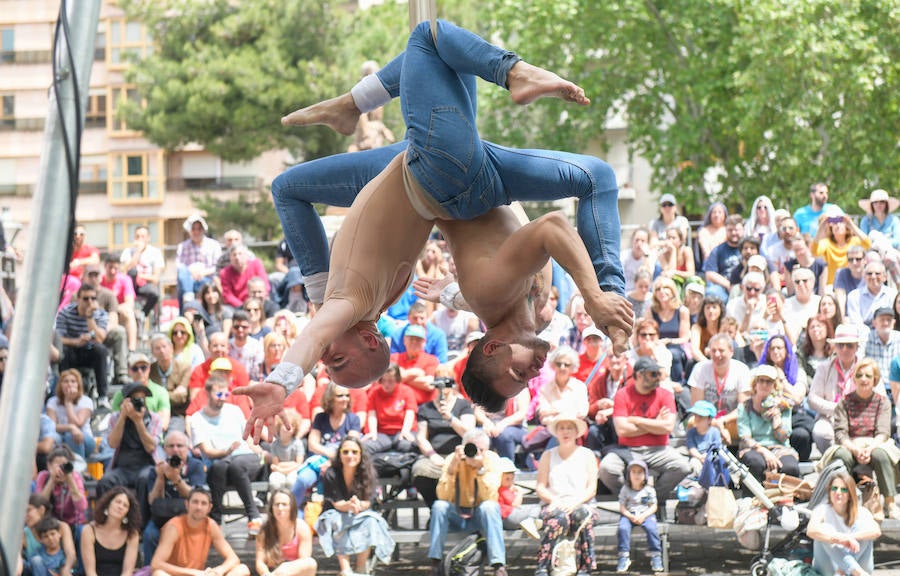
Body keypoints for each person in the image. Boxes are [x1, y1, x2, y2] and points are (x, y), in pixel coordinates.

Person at [245, 19, 633, 431]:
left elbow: (314, 336)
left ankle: (511, 73)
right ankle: (352, 104)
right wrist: (454, 296)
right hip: (455, 176)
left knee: (429, 39)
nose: (324, 356)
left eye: (329, 360)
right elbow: (487, 293)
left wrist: (282, 381)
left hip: (439, 172)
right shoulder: (518, 313)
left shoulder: (347, 303)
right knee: (444, 51)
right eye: (334, 361)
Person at [599, 357, 691, 502]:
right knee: (606, 469)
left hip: (658, 450)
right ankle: (631, 498)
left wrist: (637, 421)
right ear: (639, 375)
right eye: (653, 374)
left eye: (658, 374)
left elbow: (667, 427)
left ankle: (652, 499)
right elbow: (622, 430)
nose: (658, 378)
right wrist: (655, 423)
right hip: (627, 450)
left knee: (682, 467)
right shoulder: (623, 394)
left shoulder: (665, 395)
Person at [190, 374, 264, 532]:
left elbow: (247, 439)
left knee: (235, 465)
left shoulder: (234, 411)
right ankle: (217, 521)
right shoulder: (197, 418)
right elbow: (207, 451)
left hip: (244, 457)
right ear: (207, 393)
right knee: (222, 466)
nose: (222, 398)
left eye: (225, 394)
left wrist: (257, 450)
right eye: (218, 394)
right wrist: (227, 450)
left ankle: (253, 515)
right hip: (221, 465)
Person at [428, 428, 507, 576]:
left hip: (481, 516)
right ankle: (435, 562)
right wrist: (453, 469)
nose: (477, 452)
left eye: (481, 450)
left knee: (489, 507)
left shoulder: (492, 459)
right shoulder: (454, 458)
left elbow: (489, 496)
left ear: (487, 449)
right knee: (439, 506)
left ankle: (499, 566)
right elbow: (442, 495)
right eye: (472, 448)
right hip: (457, 515)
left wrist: (480, 469)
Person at [829, 358, 900, 519]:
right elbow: (840, 433)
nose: (863, 379)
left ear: (875, 379)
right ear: (854, 378)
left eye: (868, 376)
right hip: (850, 444)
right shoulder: (844, 402)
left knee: (881, 455)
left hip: (875, 444)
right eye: (859, 375)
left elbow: (883, 432)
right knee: (841, 456)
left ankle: (890, 503)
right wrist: (855, 449)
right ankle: (842, 502)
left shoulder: (883, 402)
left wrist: (869, 449)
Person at [315, 437, 395, 576]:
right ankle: (345, 569)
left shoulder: (368, 473)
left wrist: (358, 505)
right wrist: (350, 505)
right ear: (340, 454)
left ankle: (361, 567)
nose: (350, 455)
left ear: (360, 454)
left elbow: (368, 501)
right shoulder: (331, 473)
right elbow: (336, 503)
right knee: (338, 521)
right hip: (334, 512)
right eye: (345, 452)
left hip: (359, 511)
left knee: (370, 521)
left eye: (354, 452)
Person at [534, 413, 599, 576]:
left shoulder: (587, 455)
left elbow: (592, 488)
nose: (566, 432)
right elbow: (540, 487)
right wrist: (555, 501)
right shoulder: (548, 455)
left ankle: (586, 566)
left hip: (581, 503)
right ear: (556, 432)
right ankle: (544, 565)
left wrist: (575, 502)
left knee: (581, 515)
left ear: (576, 432)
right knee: (559, 518)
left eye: (569, 428)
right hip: (555, 504)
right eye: (562, 428)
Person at [151, 487, 251, 576]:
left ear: (209, 508)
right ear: (187, 504)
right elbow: (156, 564)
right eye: (195, 502)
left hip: (202, 574)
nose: (199, 507)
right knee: (159, 574)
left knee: (242, 569)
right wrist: (193, 572)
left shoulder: (211, 525)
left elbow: (233, 558)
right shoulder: (174, 527)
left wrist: (218, 571)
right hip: (180, 574)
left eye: (203, 503)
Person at [142, 430, 206, 563]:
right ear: (164, 449)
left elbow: (197, 498)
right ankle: (151, 571)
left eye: (179, 446)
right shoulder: (158, 468)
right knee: (150, 534)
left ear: (187, 448)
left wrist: (176, 479)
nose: (175, 450)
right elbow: (152, 501)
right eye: (171, 446)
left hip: (188, 517)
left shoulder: (196, 466)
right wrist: (161, 477)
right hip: (163, 517)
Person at [97, 381, 162, 508]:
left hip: (145, 466)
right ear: (126, 401)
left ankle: (141, 524)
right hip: (122, 468)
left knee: (146, 479)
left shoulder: (154, 418)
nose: (139, 402)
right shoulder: (115, 417)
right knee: (105, 482)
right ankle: (105, 522)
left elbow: (151, 447)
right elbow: (112, 444)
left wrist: (138, 422)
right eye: (135, 399)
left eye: (142, 399)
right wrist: (123, 416)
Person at [412, 376, 475, 506]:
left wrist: (451, 418)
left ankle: (460, 508)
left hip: (460, 455)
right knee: (419, 471)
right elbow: (421, 437)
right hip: (435, 456)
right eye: (439, 384)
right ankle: (435, 508)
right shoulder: (426, 408)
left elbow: (469, 433)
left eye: (446, 384)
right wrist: (432, 455)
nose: (443, 389)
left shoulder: (463, 405)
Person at [808, 324, 871, 453]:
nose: (844, 349)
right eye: (840, 345)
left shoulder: (867, 368)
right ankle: (835, 462)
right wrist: (836, 408)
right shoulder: (824, 368)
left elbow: (879, 396)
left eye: (849, 345)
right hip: (830, 418)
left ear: (857, 347)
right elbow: (812, 398)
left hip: (860, 418)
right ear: (835, 347)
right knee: (820, 432)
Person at [806, 471, 880, 576]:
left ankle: (844, 569)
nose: (838, 492)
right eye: (834, 488)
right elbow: (811, 530)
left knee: (864, 530)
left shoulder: (861, 511)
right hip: (829, 569)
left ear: (850, 494)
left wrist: (849, 537)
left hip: (857, 564)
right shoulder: (822, 510)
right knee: (824, 529)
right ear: (829, 491)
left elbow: (876, 531)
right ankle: (854, 570)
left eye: (844, 489)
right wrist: (838, 538)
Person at [736, 365, 799, 486]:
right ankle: (751, 499)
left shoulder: (783, 406)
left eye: (769, 382)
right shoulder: (744, 406)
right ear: (755, 383)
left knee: (790, 467)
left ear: (774, 385)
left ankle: (783, 499)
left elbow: (784, 437)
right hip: (755, 448)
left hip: (779, 447)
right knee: (756, 463)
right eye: (761, 381)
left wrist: (776, 420)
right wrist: (764, 451)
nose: (764, 385)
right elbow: (745, 438)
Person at [688, 333, 751, 445]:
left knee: (743, 423)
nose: (717, 354)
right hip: (705, 419)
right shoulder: (700, 369)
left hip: (731, 420)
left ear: (731, 352)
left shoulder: (742, 370)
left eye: (721, 350)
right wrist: (714, 422)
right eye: (713, 351)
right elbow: (697, 405)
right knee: (692, 422)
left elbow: (743, 407)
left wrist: (722, 421)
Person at [758, 335, 813, 461]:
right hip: (767, 414)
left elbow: (798, 398)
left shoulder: (798, 372)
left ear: (787, 351)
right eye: (772, 348)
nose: (776, 351)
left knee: (802, 435)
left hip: (793, 415)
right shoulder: (761, 371)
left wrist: (782, 379)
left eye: (779, 348)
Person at [56, 284, 110, 407]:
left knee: (101, 350)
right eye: (86, 299)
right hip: (72, 351)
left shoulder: (100, 314)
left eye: (93, 298)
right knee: (63, 351)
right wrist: (76, 341)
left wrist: (89, 317)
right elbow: (59, 338)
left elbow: (100, 338)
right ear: (78, 299)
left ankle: (102, 396)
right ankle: (63, 393)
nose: (89, 302)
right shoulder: (66, 312)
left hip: (91, 351)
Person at [616, 459, 664, 573]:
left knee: (652, 529)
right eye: (633, 472)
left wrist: (643, 515)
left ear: (645, 475)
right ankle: (624, 556)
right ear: (629, 475)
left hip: (645, 514)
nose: (636, 475)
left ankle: (656, 555)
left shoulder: (649, 490)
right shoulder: (625, 489)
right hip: (629, 515)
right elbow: (622, 507)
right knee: (623, 528)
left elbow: (653, 506)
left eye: (640, 472)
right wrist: (630, 516)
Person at [255, 489, 317, 576]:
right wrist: (265, 573)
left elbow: (304, 562)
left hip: (294, 573)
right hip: (270, 573)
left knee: (311, 563)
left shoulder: (301, 527)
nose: (280, 508)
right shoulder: (264, 530)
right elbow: (260, 562)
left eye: (284, 504)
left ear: (291, 507)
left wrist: (283, 570)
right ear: (271, 508)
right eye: (277, 504)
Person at [80, 487, 141, 576]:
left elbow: (127, 572)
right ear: (108, 504)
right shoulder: (89, 531)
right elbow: (90, 572)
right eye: (118, 502)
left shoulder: (132, 534)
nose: (120, 507)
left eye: (125, 505)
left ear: (128, 513)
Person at [363, 364, 417, 454]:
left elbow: (410, 413)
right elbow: (372, 415)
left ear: (397, 380)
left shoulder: (407, 391)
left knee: (408, 445)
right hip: (382, 433)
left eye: (390, 381)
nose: (386, 384)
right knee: (367, 446)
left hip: (401, 430)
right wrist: (373, 432)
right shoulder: (374, 392)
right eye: (384, 380)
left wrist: (405, 431)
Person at [646, 276, 691, 384]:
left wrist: (668, 341)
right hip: (656, 346)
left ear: (672, 291)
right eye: (658, 289)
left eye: (665, 288)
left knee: (673, 354)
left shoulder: (682, 311)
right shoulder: (651, 311)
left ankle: (678, 383)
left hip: (676, 347)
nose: (662, 291)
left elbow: (685, 338)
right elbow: (647, 331)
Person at [112, 352, 172, 432]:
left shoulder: (161, 392)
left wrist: (144, 416)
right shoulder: (120, 394)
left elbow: (164, 424)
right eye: (135, 368)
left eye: (143, 367)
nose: (140, 371)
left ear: (149, 368)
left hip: (153, 437)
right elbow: (113, 424)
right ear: (129, 371)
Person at [812, 207, 871, 286]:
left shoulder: (854, 241)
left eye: (840, 221)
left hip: (853, 284)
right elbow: (814, 252)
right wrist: (821, 228)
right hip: (832, 285)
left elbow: (867, 244)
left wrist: (851, 225)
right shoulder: (826, 243)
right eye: (835, 222)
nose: (838, 225)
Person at [46, 369, 95, 458]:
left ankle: (78, 468)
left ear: (78, 385)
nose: (69, 384)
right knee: (53, 438)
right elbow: (51, 426)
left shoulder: (86, 401)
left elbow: (78, 424)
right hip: (61, 437)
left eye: (73, 381)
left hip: (84, 439)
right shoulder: (52, 402)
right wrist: (70, 427)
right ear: (60, 385)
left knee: (71, 435)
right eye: (66, 381)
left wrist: (68, 402)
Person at [175, 214, 221, 310]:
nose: (196, 232)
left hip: (207, 279)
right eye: (193, 229)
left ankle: (190, 302)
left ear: (203, 230)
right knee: (182, 275)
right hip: (189, 279)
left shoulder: (214, 245)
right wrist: (192, 272)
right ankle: (188, 300)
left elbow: (218, 266)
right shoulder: (182, 246)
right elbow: (179, 266)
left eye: (199, 229)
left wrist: (203, 272)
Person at [34, 446, 88, 527]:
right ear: (49, 465)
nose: (61, 470)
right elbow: (39, 506)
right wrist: (52, 480)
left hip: (73, 523)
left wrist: (70, 480)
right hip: (50, 524)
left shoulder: (75, 477)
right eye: (57, 465)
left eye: (63, 465)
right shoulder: (43, 476)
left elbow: (82, 507)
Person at [148, 333, 192, 429]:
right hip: (156, 413)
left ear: (171, 347)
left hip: (176, 413)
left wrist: (158, 396)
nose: (162, 351)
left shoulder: (184, 368)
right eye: (157, 348)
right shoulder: (149, 370)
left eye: (164, 347)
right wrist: (173, 393)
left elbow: (181, 397)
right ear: (152, 352)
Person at [119, 224, 164, 317]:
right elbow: (123, 272)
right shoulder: (128, 252)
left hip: (145, 285)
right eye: (137, 236)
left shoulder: (156, 253)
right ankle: (129, 311)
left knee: (155, 294)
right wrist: (137, 253)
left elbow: (155, 278)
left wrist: (141, 276)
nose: (140, 239)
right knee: (132, 272)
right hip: (131, 285)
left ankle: (142, 315)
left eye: (143, 236)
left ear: (148, 238)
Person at [390, 323, 440, 405]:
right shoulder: (394, 358)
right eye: (411, 338)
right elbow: (388, 380)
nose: (414, 342)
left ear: (424, 342)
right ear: (404, 340)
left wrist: (402, 377)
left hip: (423, 406)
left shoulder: (431, 360)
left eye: (418, 339)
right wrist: (415, 373)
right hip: (397, 404)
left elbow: (429, 384)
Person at [100, 251, 139, 352]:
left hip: (120, 313)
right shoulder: (99, 281)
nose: (113, 271)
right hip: (103, 316)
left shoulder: (125, 280)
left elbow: (129, 303)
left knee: (129, 313)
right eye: (110, 268)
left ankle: (132, 349)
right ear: (105, 266)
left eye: (116, 268)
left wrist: (114, 309)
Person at [702, 214, 745, 302]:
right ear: (725, 230)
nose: (733, 233)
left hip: (746, 286)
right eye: (730, 230)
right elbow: (710, 274)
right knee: (712, 292)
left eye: (736, 230)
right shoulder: (718, 250)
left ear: (743, 230)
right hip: (724, 287)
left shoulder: (749, 248)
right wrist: (728, 285)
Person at [846, 260, 897, 327]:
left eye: (877, 273)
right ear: (864, 277)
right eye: (869, 273)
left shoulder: (893, 294)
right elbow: (856, 323)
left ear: (885, 277)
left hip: (888, 332)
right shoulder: (854, 296)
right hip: (862, 334)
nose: (873, 277)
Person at [220, 244, 271, 308]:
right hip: (237, 307)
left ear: (246, 255)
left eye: (240, 254)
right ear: (230, 258)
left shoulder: (256, 264)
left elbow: (265, 284)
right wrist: (244, 306)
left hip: (259, 301)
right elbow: (227, 295)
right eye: (234, 255)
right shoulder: (224, 273)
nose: (237, 257)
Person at [685, 400, 722, 475]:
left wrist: (707, 456)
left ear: (709, 419)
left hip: (711, 458)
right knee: (693, 463)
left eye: (701, 417)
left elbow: (717, 447)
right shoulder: (691, 432)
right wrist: (700, 457)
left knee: (716, 462)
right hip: (697, 457)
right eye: (695, 415)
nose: (697, 419)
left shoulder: (714, 432)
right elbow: (691, 447)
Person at [621, 227, 656, 293]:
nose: (639, 243)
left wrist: (646, 256)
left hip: (643, 293)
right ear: (632, 240)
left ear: (647, 243)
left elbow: (648, 277)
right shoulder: (623, 255)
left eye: (643, 241)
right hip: (626, 292)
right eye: (637, 240)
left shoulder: (650, 256)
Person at [689, 297, 724, 363]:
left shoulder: (725, 326)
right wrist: (709, 365)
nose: (711, 311)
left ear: (720, 310)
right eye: (708, 307)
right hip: (702, 362)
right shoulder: (697, 328)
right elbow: (694, 350)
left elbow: (740, 344)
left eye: (714, 307)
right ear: (703, 311)